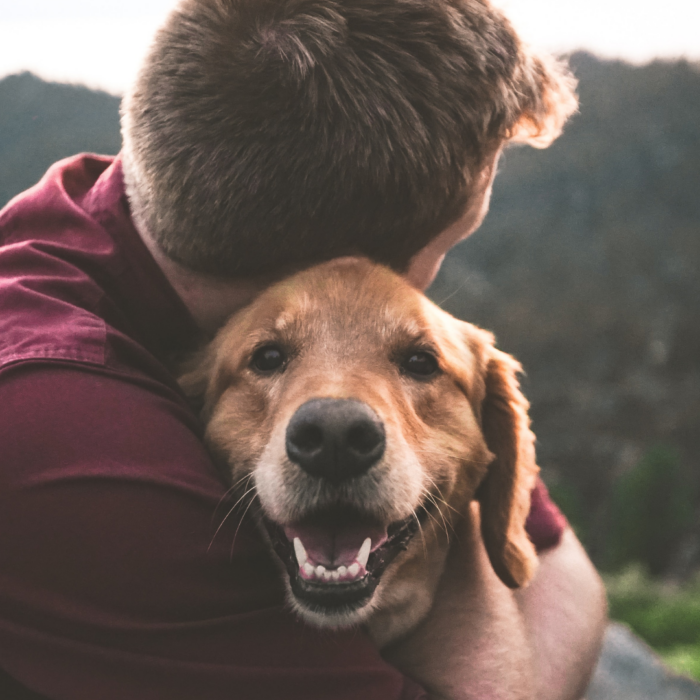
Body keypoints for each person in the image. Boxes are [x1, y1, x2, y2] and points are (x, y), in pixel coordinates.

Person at [0, 0, 607, 698]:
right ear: (341, 262)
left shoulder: (174, 201)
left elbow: (558, 563)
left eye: (410, 357)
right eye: (448, 244)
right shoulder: (56, 427)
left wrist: (461, 510)